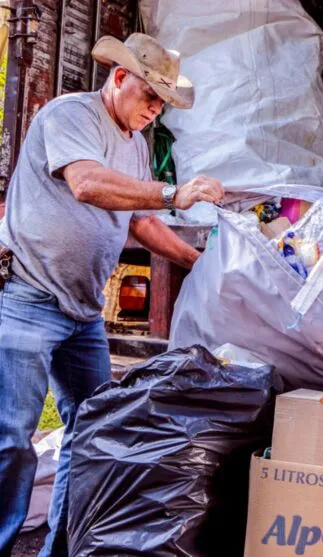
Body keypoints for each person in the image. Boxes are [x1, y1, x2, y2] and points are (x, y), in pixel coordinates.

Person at [0, 33, 225, 557]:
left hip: (82, 314)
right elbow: (86, 184)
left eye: (162, 104)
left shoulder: (138, 145)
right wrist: (176, 191)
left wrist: (199, 262)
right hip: (28, 299)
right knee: (10, 440)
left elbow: (141, 221)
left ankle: (56, 548)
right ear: (120, 77)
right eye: (150, 96)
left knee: (93, 430)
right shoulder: (69, 116)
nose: (154, 110)